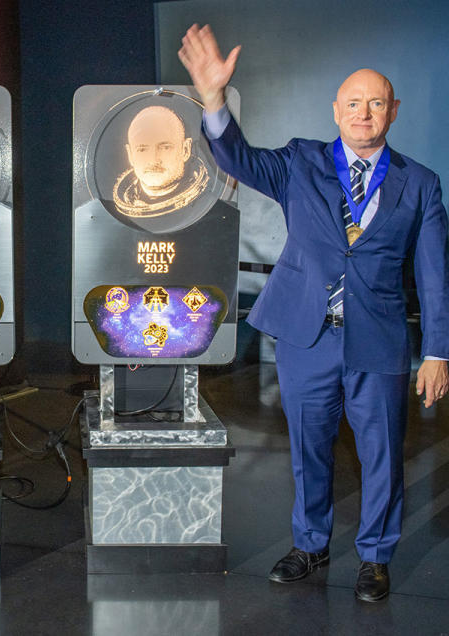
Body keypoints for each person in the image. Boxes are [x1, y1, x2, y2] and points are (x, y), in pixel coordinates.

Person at [178, 24, 449, 602]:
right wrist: (214, 100)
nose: (364, 112)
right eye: (353, 102)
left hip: (378, 342)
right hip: (306, 337)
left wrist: (438, 351)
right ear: (336, 110)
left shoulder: (420, 184)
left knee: (381, 457)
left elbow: (432, 273)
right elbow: (239, 158)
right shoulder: (301, 161)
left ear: (393, 111)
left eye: (376, 103)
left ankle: (375, 557)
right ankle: (311, 544)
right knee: (308, 449)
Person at [113, 104, 209, 217]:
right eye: (142, 149)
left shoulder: (209, 207)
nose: (153, 160)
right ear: (131, 155)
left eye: (165, 147)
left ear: (185, 150)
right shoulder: (112, 218)